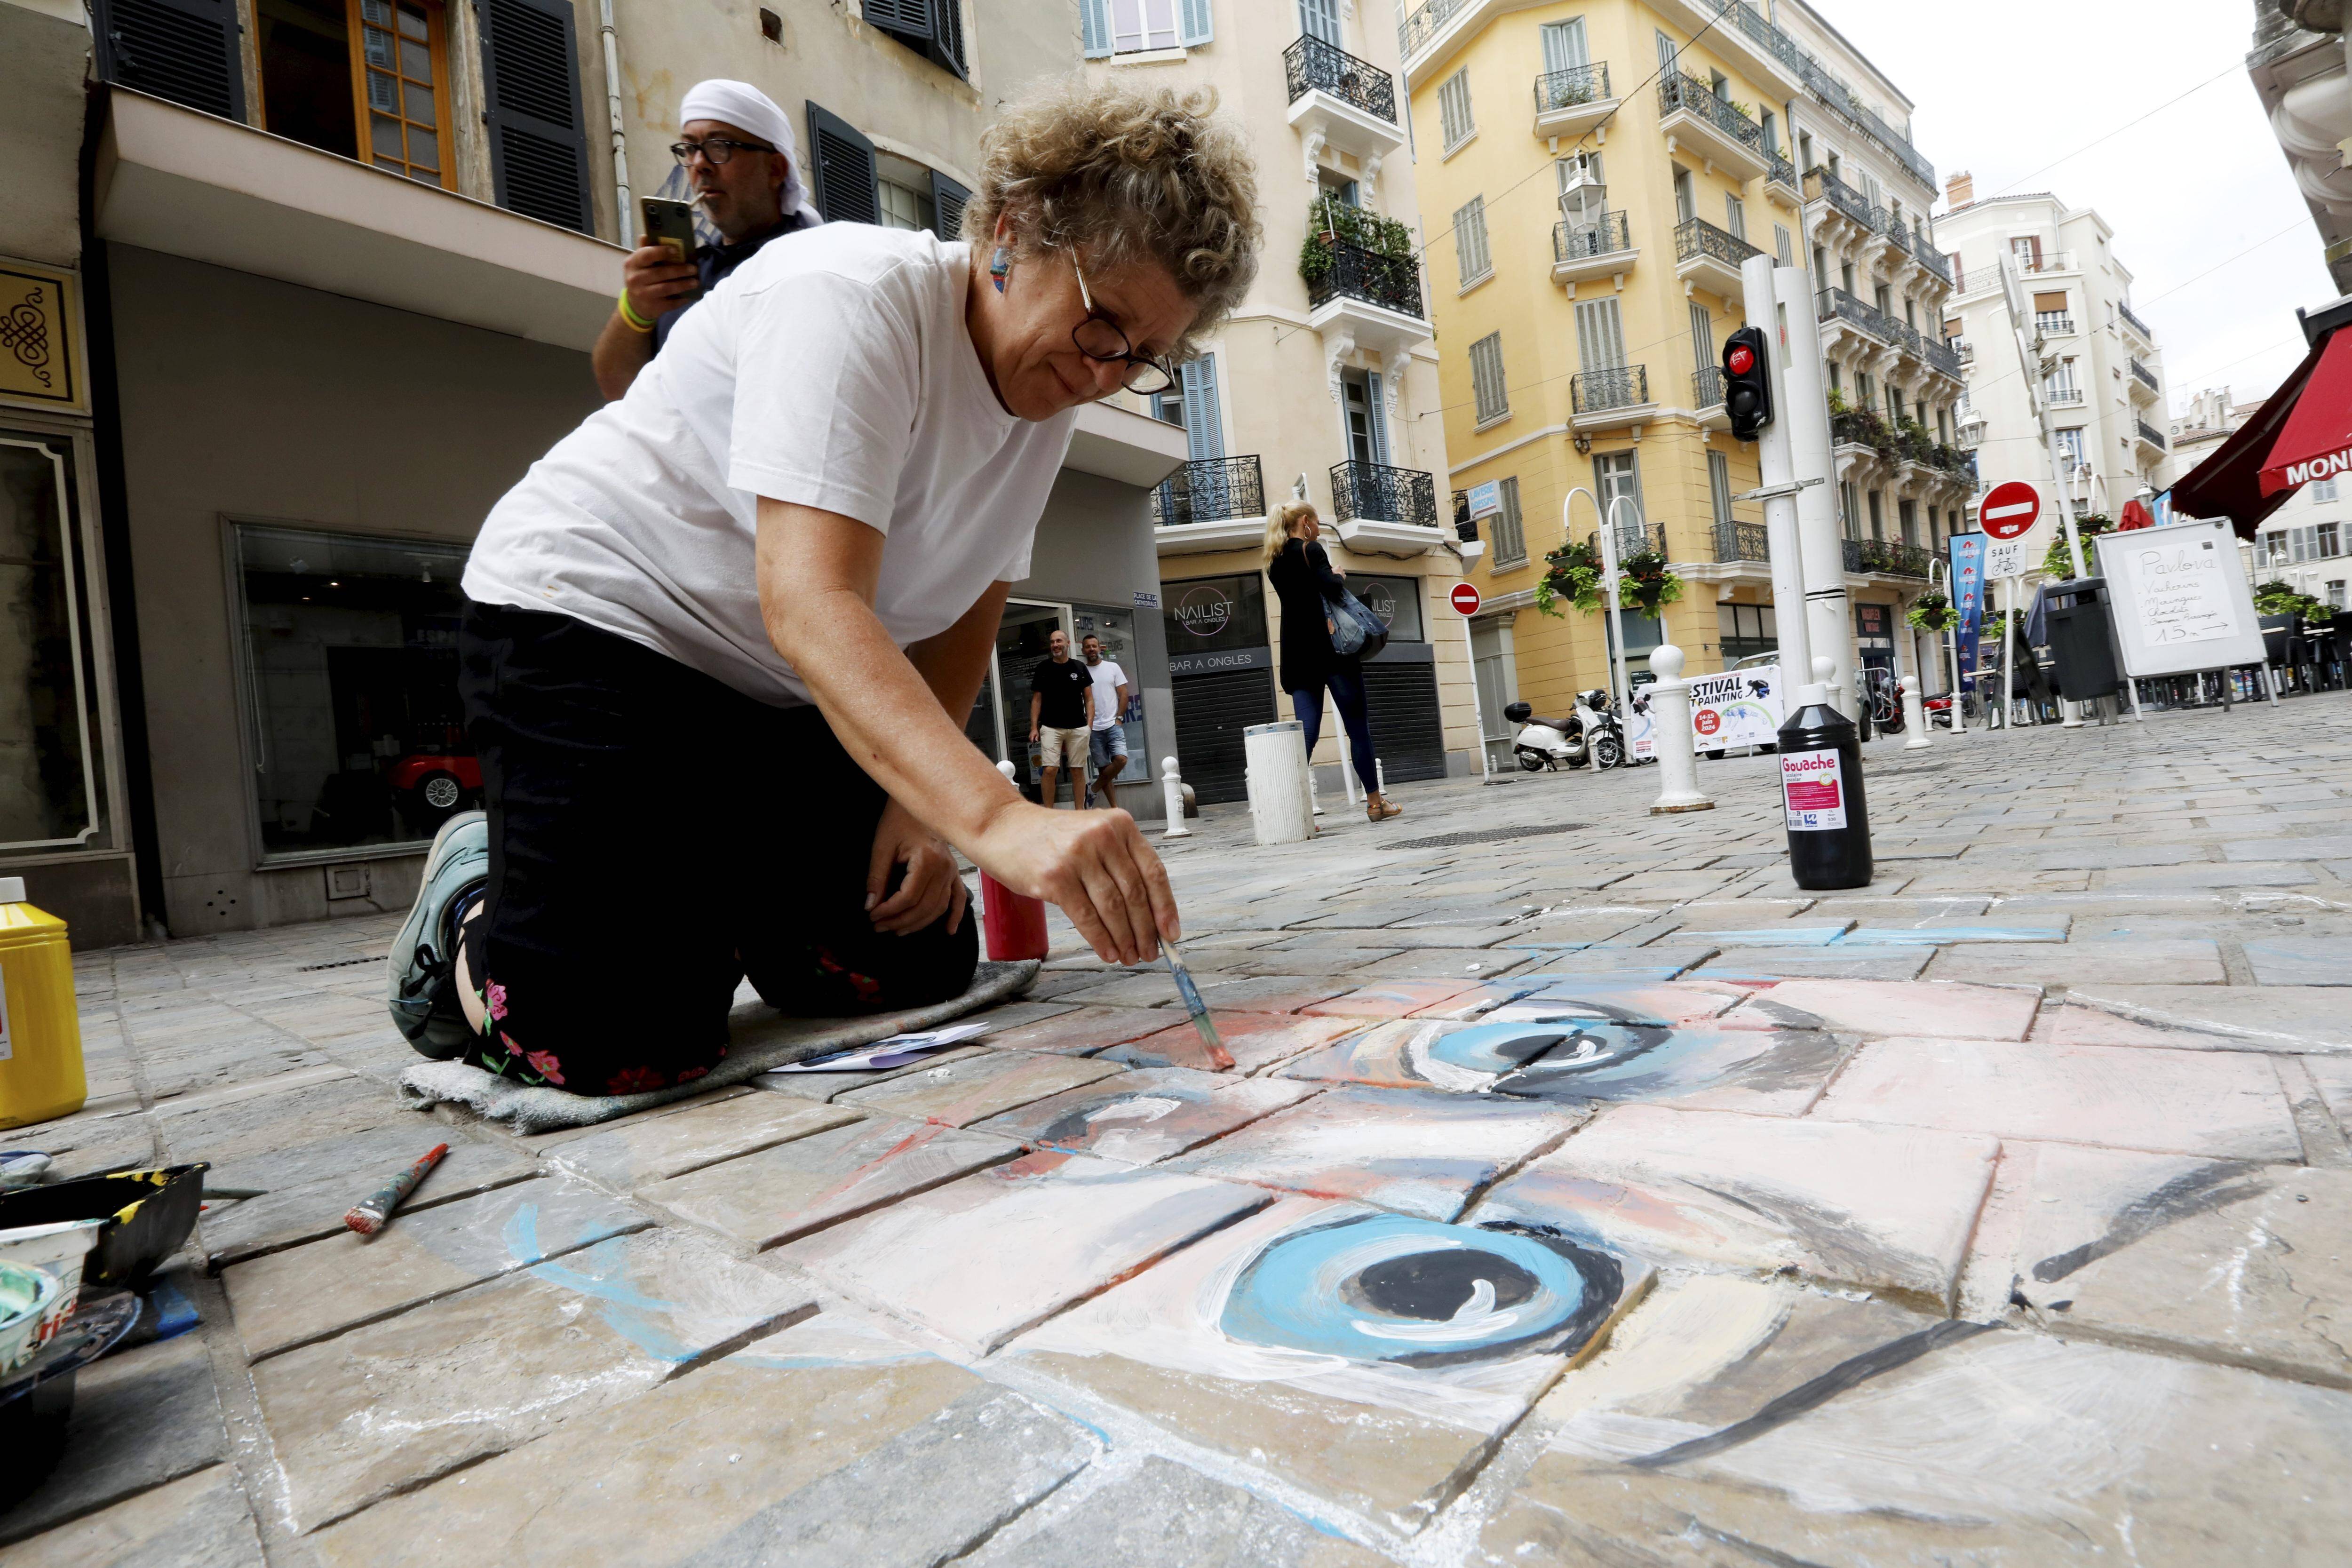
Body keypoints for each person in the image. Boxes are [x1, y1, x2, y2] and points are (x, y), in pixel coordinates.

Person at [387, 82, 1261, 1097]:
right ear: (1012, 231)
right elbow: (810, 602)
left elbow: (973, 596)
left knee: (904, 957)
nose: (1107, 371)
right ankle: (472, 897)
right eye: (1102, 321)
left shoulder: (1052, 385)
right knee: (612, 1040)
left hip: (779, 686)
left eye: (1145, 357)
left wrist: (920, 806)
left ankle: (688, 891)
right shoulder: (851, 296)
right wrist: (999, 817)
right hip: (595, 622)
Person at [592, 79, 824, 401]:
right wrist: (635, 310)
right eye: (689, 149)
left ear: (775, 169)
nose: (699, 164)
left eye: (720, 147)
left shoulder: (814, 263)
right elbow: (620, 391)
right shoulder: (684, 276)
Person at [1264, 501, 1401, 822]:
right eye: (1315, 520)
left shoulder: (1274, 563)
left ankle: (1290, 812)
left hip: (1298, 658)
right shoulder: (1312, 551)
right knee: (1358, 729)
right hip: (1333, 653)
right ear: (1305, 522)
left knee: (1307, 734)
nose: (1318, 525)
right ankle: (1375, 804)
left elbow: (1299, 597)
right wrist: (1337, 574)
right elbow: (1328, 587)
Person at [1027, 629, 1094, 808]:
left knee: (1077, 771)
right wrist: (1034, 727)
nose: (1055, 645)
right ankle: (1049, 812)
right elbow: (1037, 700)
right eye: (1052, 642)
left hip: (1078, 727)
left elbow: (1089, 699)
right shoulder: (1043, 668)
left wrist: (1089, 725)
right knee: (1049, 770)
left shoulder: (1079, 667)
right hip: (1051, 727)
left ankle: (1080, 812)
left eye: (1059, 641)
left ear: (1068, 644)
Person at [1081, 633, 1131, 809]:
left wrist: (1119, 718)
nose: (1091, 649)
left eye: (1094, 646)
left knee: (1121, 759)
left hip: (1113, 724)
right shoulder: (1082, 671)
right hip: (1093, 728)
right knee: (1103, 769)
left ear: (1100, 647)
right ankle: (1115, 809)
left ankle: (1093, 788)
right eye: (1088, 647)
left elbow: (1124, 694)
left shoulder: (1113, 667)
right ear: (1083, 650)